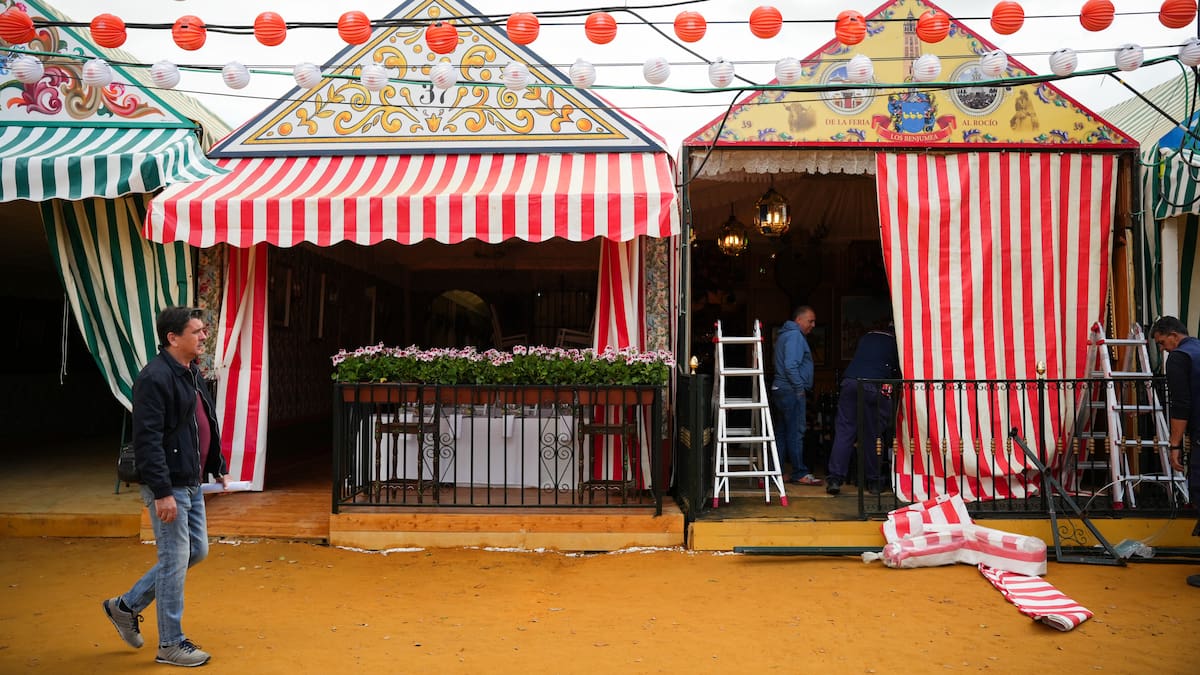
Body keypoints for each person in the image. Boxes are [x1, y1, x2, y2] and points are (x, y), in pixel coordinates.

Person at [103, 307, 229, 666]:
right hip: (170, 484)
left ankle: (125, 606)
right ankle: (170, 644)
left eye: (204, 330)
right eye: (197, 331)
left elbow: (204, 420)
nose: (204, 337)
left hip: (189, 480)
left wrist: (215, 464)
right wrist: (161, 492)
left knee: (195, 552)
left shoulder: (190, 372)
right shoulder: (154, 378)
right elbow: (147, 440)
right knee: (174, 560)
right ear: (173, 338)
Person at [1148, 316, 1200, 589]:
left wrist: (1175, 445)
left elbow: (1181, 404)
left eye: (1161, 343)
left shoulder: (1179, 358)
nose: (1163, 349)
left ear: (1172, 335)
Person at [825, 322, 901, 496]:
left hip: (851, 381)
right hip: (875, 385)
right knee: (873, 434)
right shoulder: (895, 342)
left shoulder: (867, 336)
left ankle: (835, 479)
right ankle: (873, 481)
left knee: (845, 432)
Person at [772, 306, 821, 485]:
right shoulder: (794, 336)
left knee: (782, 432)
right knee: (795, 432)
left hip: (781, 389)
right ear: (798, 320)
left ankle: (777, 471)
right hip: (791, 391)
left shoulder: (784, 335)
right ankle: (800, 472)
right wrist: (800, 388)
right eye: (810, 321)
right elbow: (790, 365)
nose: (813, 325)